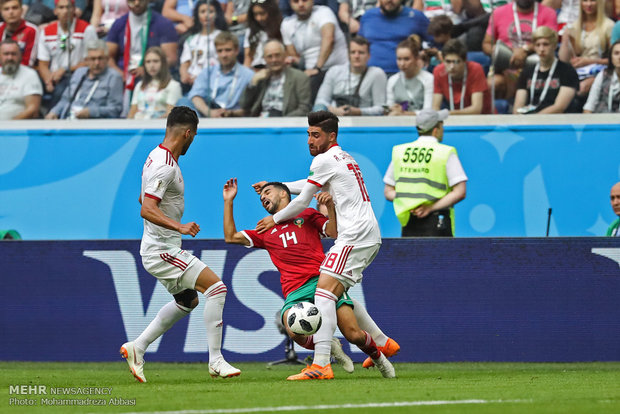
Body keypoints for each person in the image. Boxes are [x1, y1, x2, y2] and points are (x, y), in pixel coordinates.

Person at [254, 111, 395, 380]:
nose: (310, 140)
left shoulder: (324, 159)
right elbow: (307, 186)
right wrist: (278, 185)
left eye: (315, 135)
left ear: (332, 136)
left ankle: (320, 364)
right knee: (333, 292)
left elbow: (301, 202)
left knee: (324, 294)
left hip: (354, 233)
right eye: (308, 134)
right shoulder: (342, 157)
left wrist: (274, 219)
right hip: (363, 232)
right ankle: (382, 341)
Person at [223, 178, 401, 375]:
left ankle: (380, 358)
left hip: (322, 281)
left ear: (284, 193)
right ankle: (330, 347)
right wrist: (229, 201)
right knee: (293, 330)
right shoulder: (265, 229)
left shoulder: (306, 214)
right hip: (294, 290)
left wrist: (330, 207)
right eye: (262, 196)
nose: (263, 197)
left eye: (268, 192)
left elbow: (333, 232)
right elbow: (231, 236)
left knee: (353, 334)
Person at [120, 106, 241, 383]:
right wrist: (180, 226)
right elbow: (147, 208)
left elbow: (144, 199)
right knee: (217, 288)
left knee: (188, 300)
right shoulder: (165, 166)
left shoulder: (155, 156)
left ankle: (137, 347)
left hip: (159, 245)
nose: (192, 142)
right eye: (194, 136)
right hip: (161, 249)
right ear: (188, 133)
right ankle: (216, 361)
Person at [383, 108, 467, 237]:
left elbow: (388, 192)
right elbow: (460, 192)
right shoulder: (445, 152)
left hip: (409, 221)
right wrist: (430, 208)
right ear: (436, 129)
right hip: (438, 221)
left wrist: (410, 203)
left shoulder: (400, 152)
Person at [482, 0, 558, 100]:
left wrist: (525, 50)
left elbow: (551, 41)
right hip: (505, 65)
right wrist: (510, 52)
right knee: (493, 83)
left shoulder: (548, 13)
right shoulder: (498, 13)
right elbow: (486, 44)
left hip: (537, 65)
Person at [106, 0, 178, 97]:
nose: (136, 3)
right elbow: (107, 57)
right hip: (122, 74)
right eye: (132, 0)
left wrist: (147, 69)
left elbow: (171, 58)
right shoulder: (119, 24)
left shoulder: (163, 24)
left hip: (153, 74)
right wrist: (120, 74)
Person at [280, 0, 348, 102]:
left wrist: (317, 68)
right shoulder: (287, 24)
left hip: (338, 69)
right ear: (290, 3)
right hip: (310, 73)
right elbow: (294, 55)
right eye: (296, 1)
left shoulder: (324, 12)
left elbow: (329, 39)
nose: (301, 4)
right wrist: (293, 61)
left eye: (304, 0)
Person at [37, 0, 98, 111]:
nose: (65, 11)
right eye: (61, 8)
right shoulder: (46, 32)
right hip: (53, 75)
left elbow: (91, 61)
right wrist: (48, 80)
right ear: (55, 11)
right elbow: (43, 63)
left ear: (74, 10)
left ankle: (55, 119)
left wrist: (65, 70)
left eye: (68, 7)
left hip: (77, 74)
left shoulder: (87, 29)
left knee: (61, 89)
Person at [225, 39, 310, 117]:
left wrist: (283, 120)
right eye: (270, 56)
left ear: (285, 56)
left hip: (286, 124)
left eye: (277, 55)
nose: (274, 60)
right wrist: (253, 82)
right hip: (261, 123)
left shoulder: (299, 77)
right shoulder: (261, 78)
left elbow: (304, 108)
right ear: (264, 59)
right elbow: (244, 105)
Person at [180, 30, 253, 117]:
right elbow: (195, 96)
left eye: (228, 50)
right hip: (207, 113)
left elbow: (251, 108)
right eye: (220, 51)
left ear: (236, 50)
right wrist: (209, 112)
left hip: (233, 116)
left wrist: (230, 113)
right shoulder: (207, 72)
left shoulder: (248, 75)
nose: (224, 55)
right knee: (183, 102)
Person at [45, 39, 123, 119]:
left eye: (100, 58)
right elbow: (65, 100)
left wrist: (91, 112)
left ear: (107, 59)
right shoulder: (79, 73)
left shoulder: (114, 77)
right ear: (86, 60)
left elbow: (115, 109)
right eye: (93, 59)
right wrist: (53, 112)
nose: (97, 63)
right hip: (68, 120)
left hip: (94, 124)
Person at [313, 36, 387, 116]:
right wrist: (333, 110)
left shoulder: (377, 74)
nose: (356, 56)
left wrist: (358, 111)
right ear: (348, 55)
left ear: (368, 56)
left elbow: (381, 108)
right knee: (318, 109)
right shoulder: (334, 71)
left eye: (361, 53)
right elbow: (320, 101)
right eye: (353, 52)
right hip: (333, 118)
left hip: (364, 121)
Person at [513, 26, 579, 114]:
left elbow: (559, 107)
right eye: (538, 45)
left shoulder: (567, 71)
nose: (541, 49)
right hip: (529, 121)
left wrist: (534, 120)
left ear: (554, 46)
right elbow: (518, 107)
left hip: (556, 122)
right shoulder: (527, 71)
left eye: (546, 44)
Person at [358, 0, 432, 76]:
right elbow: (358, 45)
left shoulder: (416, 17)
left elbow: (437, 41)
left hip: (405, 75)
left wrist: (425, 55)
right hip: (370, 74)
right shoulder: (368, 17)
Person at [558, 0, 614, 100]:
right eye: (585, 1)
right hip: (579, 72)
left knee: (582, 88)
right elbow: (564, 60)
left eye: (592, 1)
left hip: (601, 71)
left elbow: (614, 60)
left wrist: (590, 61)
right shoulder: (575, 26)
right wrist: (565, 39)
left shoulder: (609, 26)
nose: (588, 4)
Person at [433, 38, 492, 114]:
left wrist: (446, 114)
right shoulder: (438, 71)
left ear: (465, 60)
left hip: (482, 119)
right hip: (453, 118)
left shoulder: (476, 69)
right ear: (443, 60)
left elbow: (476, 109)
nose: (452, 67)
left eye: (456, 62)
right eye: (448, 61)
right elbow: (435, 107)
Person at [179, 0, 228, 91]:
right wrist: (185, 75)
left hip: (216, 83)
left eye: (211, 11)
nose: (206, 15)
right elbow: (185, 63)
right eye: (202, 12)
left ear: (217, 14)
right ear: (197, 15)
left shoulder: (224, 37)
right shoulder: (191, 40)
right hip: (192, 85)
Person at [128, 46, 182, 119]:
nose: (151, 65)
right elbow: (132, 113)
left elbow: (170, 115)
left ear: (163, 63)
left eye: (155, 61)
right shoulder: (139, 85)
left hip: (159, 127)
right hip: (137, 127)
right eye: (148, 62)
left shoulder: (173, 85)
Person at [385, 35, 433, 116]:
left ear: (416, 58)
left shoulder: (429, 79)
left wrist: (404, 114)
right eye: (399, 59)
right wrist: (391, 109)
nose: (402, 64)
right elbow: (389, 107)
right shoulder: (392, 80)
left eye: (406, 59)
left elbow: (428, 111)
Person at [0, 38, 42, 120]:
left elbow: (33, 110)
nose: (10, 58)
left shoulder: (30, 75)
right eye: (6, 54)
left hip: (16, 128)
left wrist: (9, 125)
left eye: (14, 54)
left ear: (20, 56)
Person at [583, 40, 620, 113]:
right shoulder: (603, 75)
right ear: (611, 58)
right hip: (602, 121)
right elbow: (589, 106)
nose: (619, 57)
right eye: (616, 53)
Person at [243, 0, 282, 70]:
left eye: (262, 13)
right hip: (255, 70)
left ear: (271, 12)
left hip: (275, 68)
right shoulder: (250, 32)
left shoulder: (281, 28)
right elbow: (248, 58)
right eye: (255, 14)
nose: (259, 18)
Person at [0, 0, 39, 67]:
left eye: (14, 8)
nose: (11, 12)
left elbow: (29, 62)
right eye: (6, 9)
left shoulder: (31, 30)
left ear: (21, 10)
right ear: (1, 12)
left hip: (22, 74)